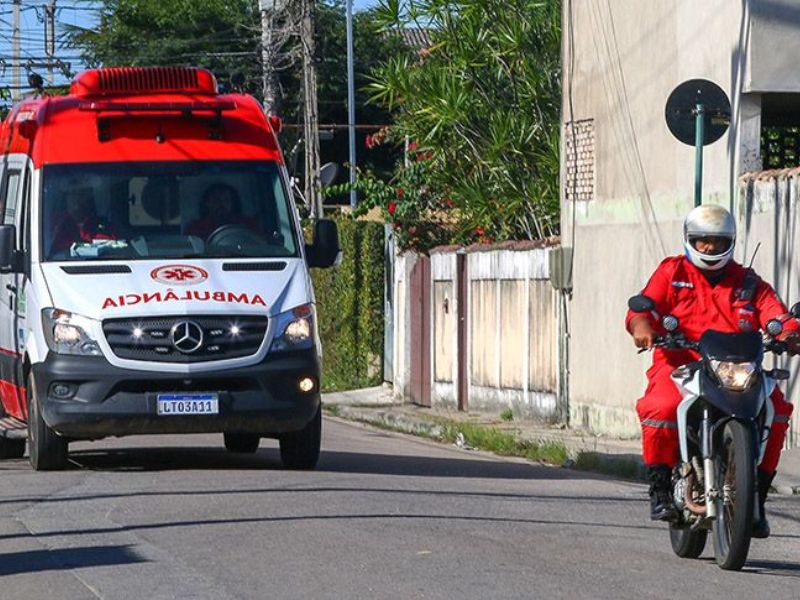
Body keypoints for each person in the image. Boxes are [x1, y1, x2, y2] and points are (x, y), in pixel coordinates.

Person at [625, 204, 800, 536]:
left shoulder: (749, 283)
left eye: (717, 242)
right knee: (660, 407)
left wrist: (790, 334)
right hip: (680, 364)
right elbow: (641, 309)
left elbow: (776, 315)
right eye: (703, 240)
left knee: (777, 409)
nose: (709, 248)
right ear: (690, 240)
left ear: (730, 242)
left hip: (738, 367)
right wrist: (642, 327)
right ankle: (660, 488)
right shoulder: (672, 273)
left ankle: (756, 500)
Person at [50, 186, 115, 255]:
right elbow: (52, 255)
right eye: (73, 194)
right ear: (66, 198)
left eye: (81, 194)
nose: (76, 199)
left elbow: (115, 249)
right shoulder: (59, 227)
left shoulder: (103, 227)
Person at [186, 183, 251, 239]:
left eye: (226, 199)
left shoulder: (247, 225)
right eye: (216, 199)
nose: (222, 203)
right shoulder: (195, 228)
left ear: (232, 203)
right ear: (207, 202)